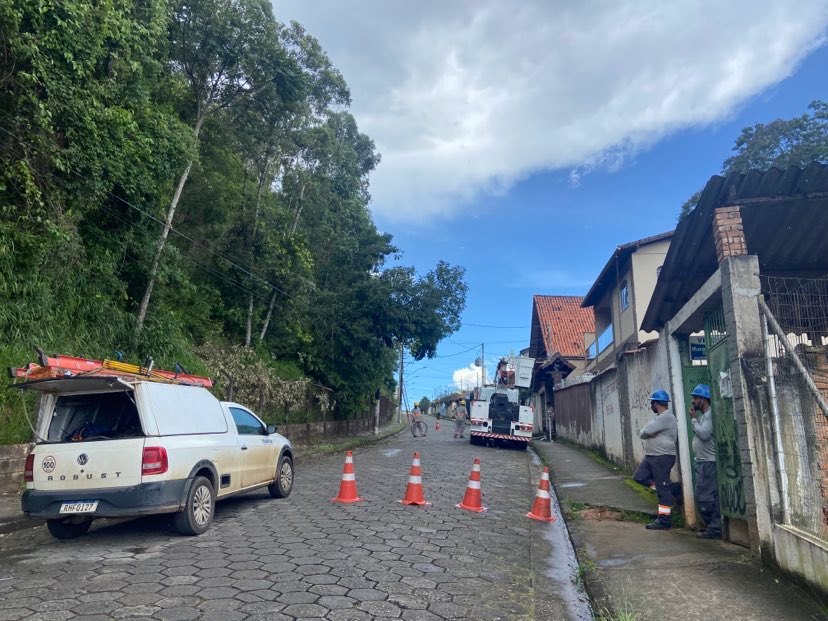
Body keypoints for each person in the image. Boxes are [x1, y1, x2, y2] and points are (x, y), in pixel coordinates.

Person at [633, 389, 678, 530]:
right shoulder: (658, 418)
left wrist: (650, 433)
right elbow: (643, 433)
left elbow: (645, 432)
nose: (651, 406)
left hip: (662, 457)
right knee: (639, 477)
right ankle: (673, 489)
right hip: (652, 457)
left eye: (652, 403)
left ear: (656, 403)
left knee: (662, 491)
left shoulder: (666, 417)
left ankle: (664, 520)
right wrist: (649, 433)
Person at [690, 384, 721, 539]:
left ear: (704, 399)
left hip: (708, 463)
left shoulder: (709, 415)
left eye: (696, 398)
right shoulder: (703, 416)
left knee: (707, 497)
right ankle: (711, 527)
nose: (693, 401)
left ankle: (715, 528)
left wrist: (694, 421)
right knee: (703, 496)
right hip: (702, 463)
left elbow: (704, 434)